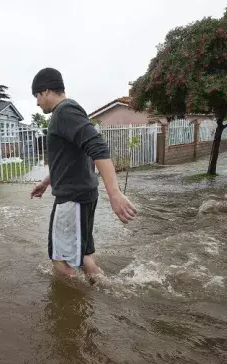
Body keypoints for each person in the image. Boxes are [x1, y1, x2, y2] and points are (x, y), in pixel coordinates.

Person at [29, 68, 137, 283]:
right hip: (80, 196)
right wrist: (45, 182)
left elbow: (98, 147)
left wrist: (114, 194)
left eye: (37, 97)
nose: (37, 104)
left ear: (47, 91)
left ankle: (78, 309)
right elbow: (67, 158)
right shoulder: (68, 113)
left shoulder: (64, 112)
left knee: (62, 262)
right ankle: (106, 293)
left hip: (72, 199)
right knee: (83, 256)